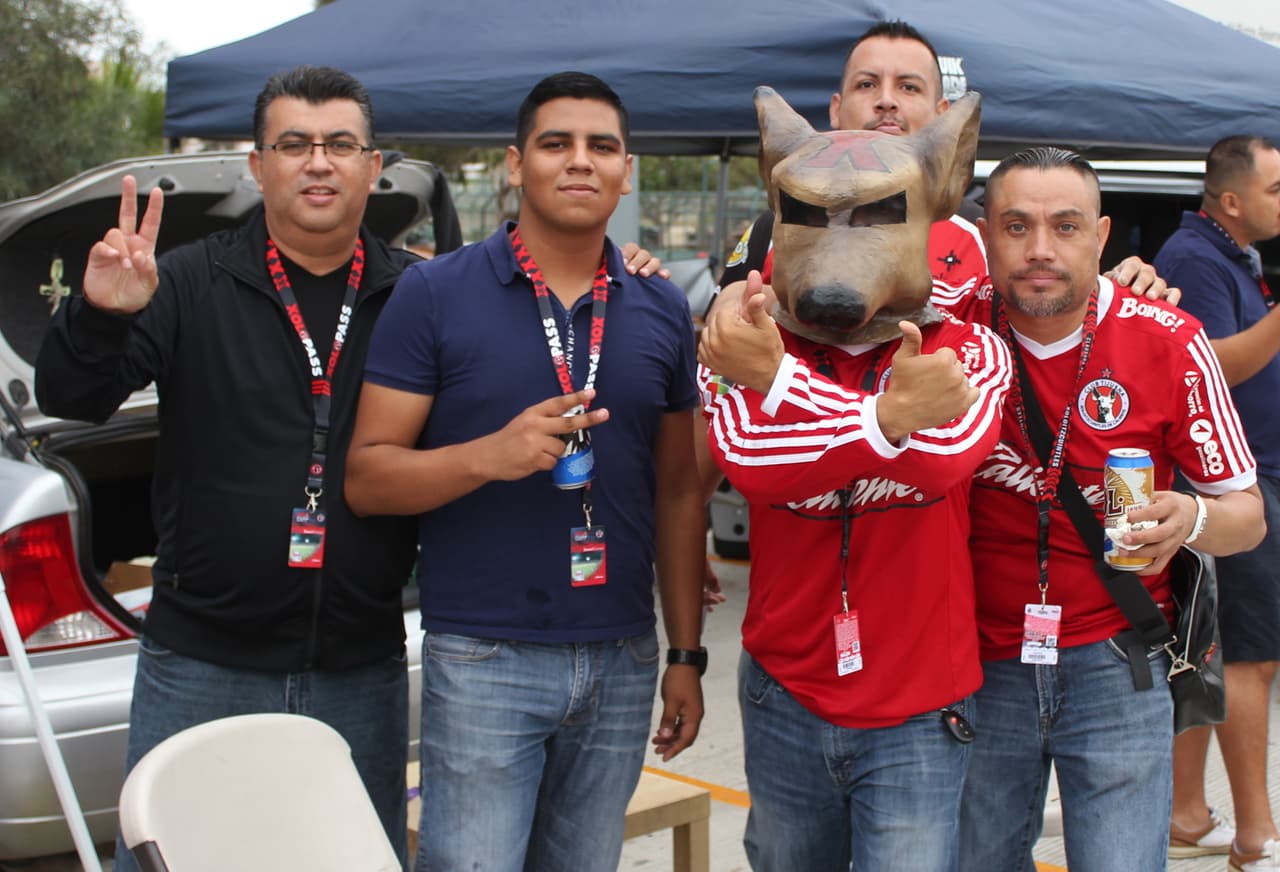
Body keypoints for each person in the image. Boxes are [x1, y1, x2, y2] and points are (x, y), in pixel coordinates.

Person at [34, 65, 422, 868]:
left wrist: (621, 268)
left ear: (372, 167)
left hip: (361, 668)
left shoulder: (417, 293)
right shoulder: (183, 280)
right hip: (202, 665)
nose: (318, 162)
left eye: (340, 144)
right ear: (258, 165)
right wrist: (101, 314)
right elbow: (75, 397)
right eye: (294, 144)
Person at [344, 71, 705, 872]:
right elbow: (367, 479)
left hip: (622, 657)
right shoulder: (433, 294)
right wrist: (488, 457)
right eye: (556, 144)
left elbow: (681, 490)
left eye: (601, 146)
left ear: (627, 171)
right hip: (483, 657)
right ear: (516, 165)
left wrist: (686, 654)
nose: (580, 162)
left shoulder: (661, 306)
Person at [955, 146, 1265, 872]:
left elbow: (1247, 515)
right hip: (976, 661)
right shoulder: (949, 336)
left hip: (1117, 665)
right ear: (986, 235)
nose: (1039, 250)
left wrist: (1190, 521)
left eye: (1065, 227)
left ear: (1100, 238)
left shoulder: (1168, 339)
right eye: (1016, 226)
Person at [699, 173, 1013, 872]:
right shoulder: (738, 340)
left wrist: (784, 385)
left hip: (923, 707)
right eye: (820, 226)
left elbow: (942, 459)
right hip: (788, 692)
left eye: (874, 227)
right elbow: (753, 461)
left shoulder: (974, 348)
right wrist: (888, 420)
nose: (845, 253)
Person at [1154, 135, 1280, 871]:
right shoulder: (1194, 259)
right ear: (1231, 201)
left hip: (1249, 478)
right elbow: (1208, 367)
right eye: (1276, 188)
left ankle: (1185, 809)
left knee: (1206, 649)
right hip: (1229, 487)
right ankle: (1257, 833)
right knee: (1248, 658)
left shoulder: (1228, 255)